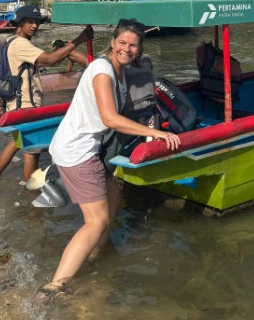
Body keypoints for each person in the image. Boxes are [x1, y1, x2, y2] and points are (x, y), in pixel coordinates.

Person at [35, 19, 181, 302]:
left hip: (94, 146)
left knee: (112, 201)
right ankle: (54, 287)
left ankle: (97, 259)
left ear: (139, 49)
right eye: (122, 43)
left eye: (133, 45)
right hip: (77, 151)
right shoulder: (103, 70)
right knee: (96, 221)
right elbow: (109, 118)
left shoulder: (121, 71)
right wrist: (154, 134)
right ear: (113, 43)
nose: (127, 49)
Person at [0, 5, 93, 181]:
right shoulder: (21, 44)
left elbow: (11, 73)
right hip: (26, 106)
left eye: (37, 22)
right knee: (33, 151)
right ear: (20, 23)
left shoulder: (10, 42)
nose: (35, 25)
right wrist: (80, 39)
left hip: (15, 104)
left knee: (17, 142)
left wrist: (4, 105)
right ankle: (32, 194)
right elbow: (52, 60)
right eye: (30, 21)